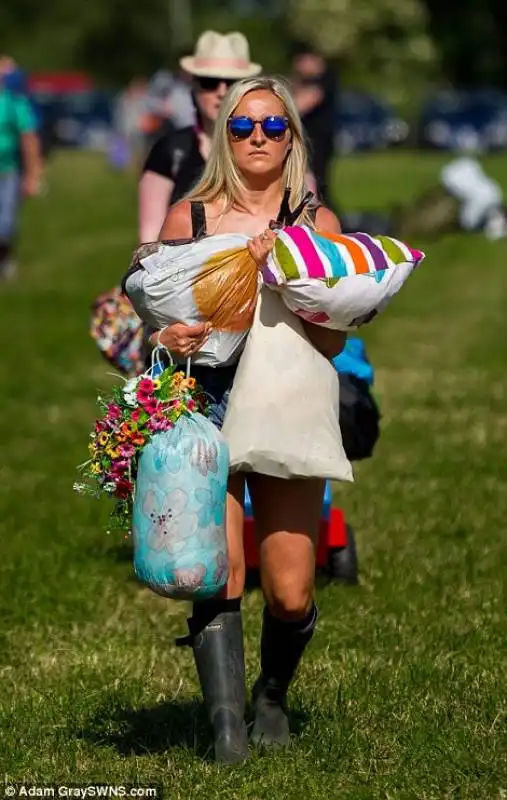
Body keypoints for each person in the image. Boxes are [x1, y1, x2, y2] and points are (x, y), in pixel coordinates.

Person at [150, 76, 346, 764]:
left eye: (271, 126)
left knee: (291, 590)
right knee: (220, 570)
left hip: (287, 402)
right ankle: (226, 727)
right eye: (240, 126)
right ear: (222, 135)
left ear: (291, 135)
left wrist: (291, 284)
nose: (256, 138)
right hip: (205, 402)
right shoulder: (190, 219)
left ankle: (270, 695)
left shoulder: (315, 224)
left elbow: (331, 342)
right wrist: (168, 337)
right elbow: (156, 317)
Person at [138, 30, 262, 243]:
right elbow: (150, 241)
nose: (222, 92)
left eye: (232, 82)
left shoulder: (269, 145)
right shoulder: (172, 151)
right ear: (193, 87)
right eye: (210, 82)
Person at [0, 55, 43, 279]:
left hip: (7, 170)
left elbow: (29, 138)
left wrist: (33, 175)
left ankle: (5, 260)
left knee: (5, 224)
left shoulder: (13, 102)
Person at [291, 43, 338, 212]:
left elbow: (300, 104)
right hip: (306, 140)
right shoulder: (304, 81)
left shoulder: (324, 80)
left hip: (318, 141)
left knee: (317, 183)